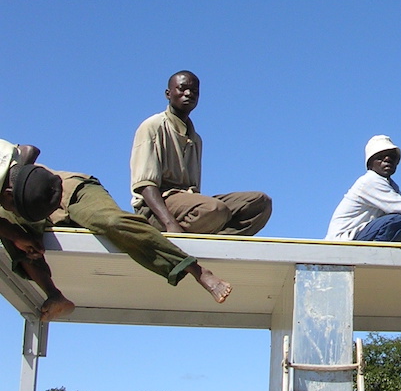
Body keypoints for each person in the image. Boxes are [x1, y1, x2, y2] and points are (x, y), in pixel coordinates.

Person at [0, 139, 232, 318]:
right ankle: (54, 295)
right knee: (11, 230)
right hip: (28, 208)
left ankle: (197, 271)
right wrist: (15, 233)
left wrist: (24, 180)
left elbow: (30, 150)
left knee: (111, 223)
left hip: (65, 190)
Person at [130, 70, 272, 235]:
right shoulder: (153, 126)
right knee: (214, 210)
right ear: (168, 94)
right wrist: (170, 224)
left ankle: (215, 242)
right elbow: (145, 186)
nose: (188, 94)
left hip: (189, 205)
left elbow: (194, 190)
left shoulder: (195, 139)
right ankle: (187, 233)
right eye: (182, 89)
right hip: (155, 209)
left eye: (194, 91)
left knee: (260, 203)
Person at [324, 135, 401, 243]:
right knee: (396, 221)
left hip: (359, 236)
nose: (387, 159)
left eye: (392, 157)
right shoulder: (370, 181)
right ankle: (373, 257)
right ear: (370, 164)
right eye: (380, 157)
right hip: (342, 240)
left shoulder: (391, 186)